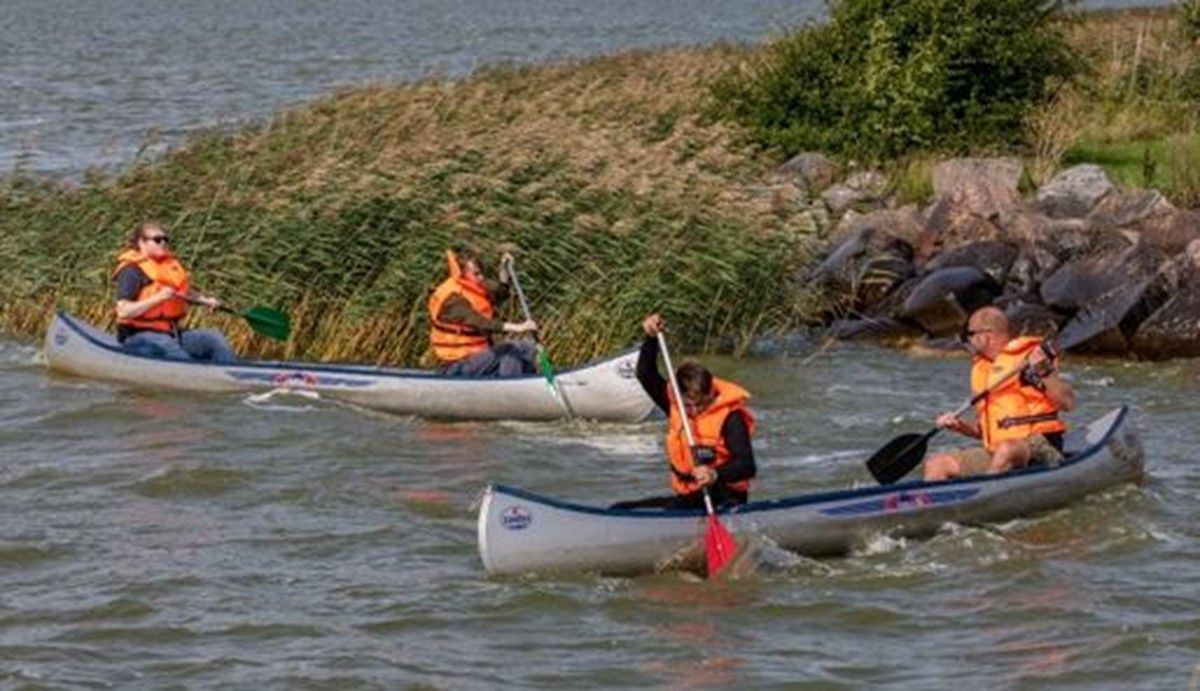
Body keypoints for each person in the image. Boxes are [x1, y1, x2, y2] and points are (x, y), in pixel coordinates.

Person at [611, 313, 757, 510]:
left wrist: (715, 474)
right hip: (688, 492)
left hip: (725, 494)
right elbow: (645, 373)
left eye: (703, 403)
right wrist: (651, 338)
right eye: (689, 405)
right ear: (679, 397)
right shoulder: (674, 403)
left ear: (711, 393)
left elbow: (747, 465)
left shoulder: (731, 416)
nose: (696, 410)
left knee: (672, 510)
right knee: (620, 508)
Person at [923, 306, 1076, 482]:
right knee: (936, 464)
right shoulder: (981, 370)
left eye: (970, 335)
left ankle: (983, 498)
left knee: (1007, 449)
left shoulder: (1030, 360)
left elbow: (1068, 403)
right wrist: (959, 426)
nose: (967, 341)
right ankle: (935, 506)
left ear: (986, 335)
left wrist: (1043, 371)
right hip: (998, 452)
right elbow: (983, 432)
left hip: (1039, 445)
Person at [112, 221, 238, 364]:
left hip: (172, 333)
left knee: (213, 338)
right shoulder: (132, 270)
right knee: (175, 353)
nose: (163, 243)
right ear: (142, 243)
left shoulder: (169, 266)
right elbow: (123, 311)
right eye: (157, 240)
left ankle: (231, 374)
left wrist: (205, 300)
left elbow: (184, 293)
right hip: (139, 334)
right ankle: (193, 376)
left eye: (166, 240)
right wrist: (158, 298)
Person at [427, 248, 539, 376]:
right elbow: (479, 322)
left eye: (481, 273)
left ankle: (526, 384)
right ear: (462, 274)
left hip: (476, 358)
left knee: (528, 348)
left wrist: (504, 271)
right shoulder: (452, 298)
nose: (481, 278)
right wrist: (517, 327)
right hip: (456, 366)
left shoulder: (474, 285)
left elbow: (500, 293)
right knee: (510, 350)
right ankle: (509, 389)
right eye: (476, 274)